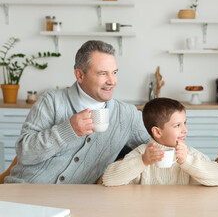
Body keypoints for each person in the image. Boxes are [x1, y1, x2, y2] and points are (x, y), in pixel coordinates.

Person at [5, 40, 150, 184]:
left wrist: (172, 146)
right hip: (26, 190)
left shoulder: (127, 114)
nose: (112, 81)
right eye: (103, 73)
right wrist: (68, 130)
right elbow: (24, 153)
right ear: (80, 75)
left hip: (75, 201)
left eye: (114, 73)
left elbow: (157, 141)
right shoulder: (51, 101)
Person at [101, 97, 218, 186]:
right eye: (177, 125)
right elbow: (108, 180)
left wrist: (187, 161)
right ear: (157, 132)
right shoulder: (142, 154)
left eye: (185, 123)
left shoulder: (189, 154)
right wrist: (142, 161)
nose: (185, 130)